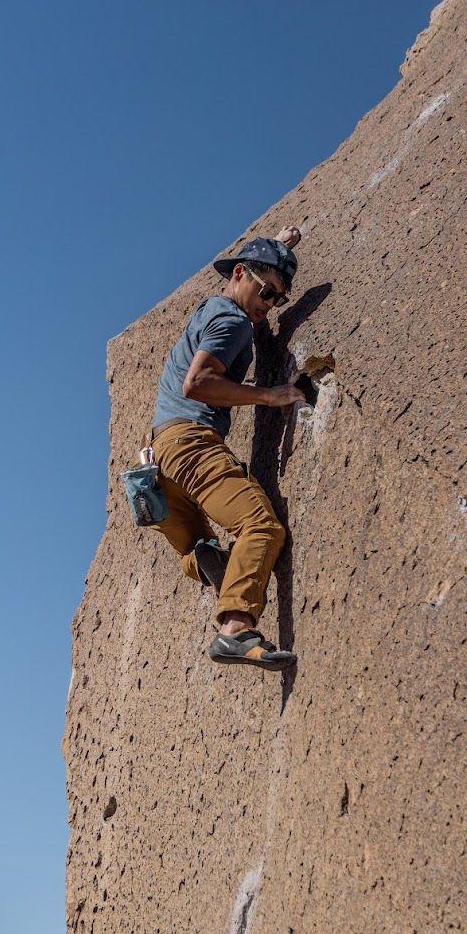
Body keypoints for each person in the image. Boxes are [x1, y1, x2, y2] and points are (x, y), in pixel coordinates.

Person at [149, 226, 307, 671]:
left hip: (157, 463)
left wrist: (277, 248)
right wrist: (269, 395)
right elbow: (197, 384)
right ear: (240, 273)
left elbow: (246, 280)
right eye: (265, 292)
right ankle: (236, 630)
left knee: (195, 550)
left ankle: (211, 563)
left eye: (278, 298)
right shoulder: (233, 319)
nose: (269, 305)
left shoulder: (214, 308)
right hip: (192, 444)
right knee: (261, 527)